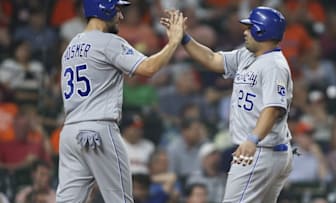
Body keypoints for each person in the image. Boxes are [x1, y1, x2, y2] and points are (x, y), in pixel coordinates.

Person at [57, 0, 185, 202]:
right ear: (104, 9)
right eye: (117, 10)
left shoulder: (71, 46)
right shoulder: (108, 42)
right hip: (99, 127)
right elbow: (148, 68)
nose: (121, 16)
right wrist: (174, 42)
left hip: (70, 132)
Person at [161, 6, 293, 202]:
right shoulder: (248, 55)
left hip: (259, 151)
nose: (245, 31)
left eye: (250, 28)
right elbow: (212, 59)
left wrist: (252, 140)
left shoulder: (274, 65)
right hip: (266, 151)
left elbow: (273, 109)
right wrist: (184, 38)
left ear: (261, 31)